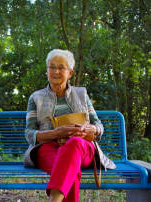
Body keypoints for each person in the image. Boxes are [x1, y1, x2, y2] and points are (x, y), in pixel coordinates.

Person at [23, 49, 116, 202]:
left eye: (61, 67)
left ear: (70, 73)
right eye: (51, 67)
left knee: (74, 144)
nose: (56, 71)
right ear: (47, 70)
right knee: (68, 170)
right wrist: (55, 134)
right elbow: (29, 133)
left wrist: (92, 128)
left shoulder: (81, 94)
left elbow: (98, 124)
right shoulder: (36, 97)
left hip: (81, 146)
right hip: (47, 146)